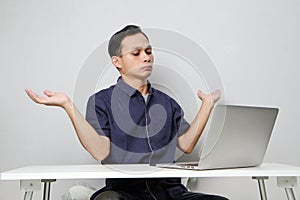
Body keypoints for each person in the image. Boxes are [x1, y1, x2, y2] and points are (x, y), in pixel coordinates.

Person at [25, 25, 229, 200]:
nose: (146, 57)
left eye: (149, 51)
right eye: (136, 53)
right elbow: (100, 151)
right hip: (124, 192)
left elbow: (186, 144)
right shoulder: (101, 101)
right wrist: (68, 106)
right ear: (117, 62)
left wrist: (207, 105)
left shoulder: (168, 102)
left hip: (169, 192)